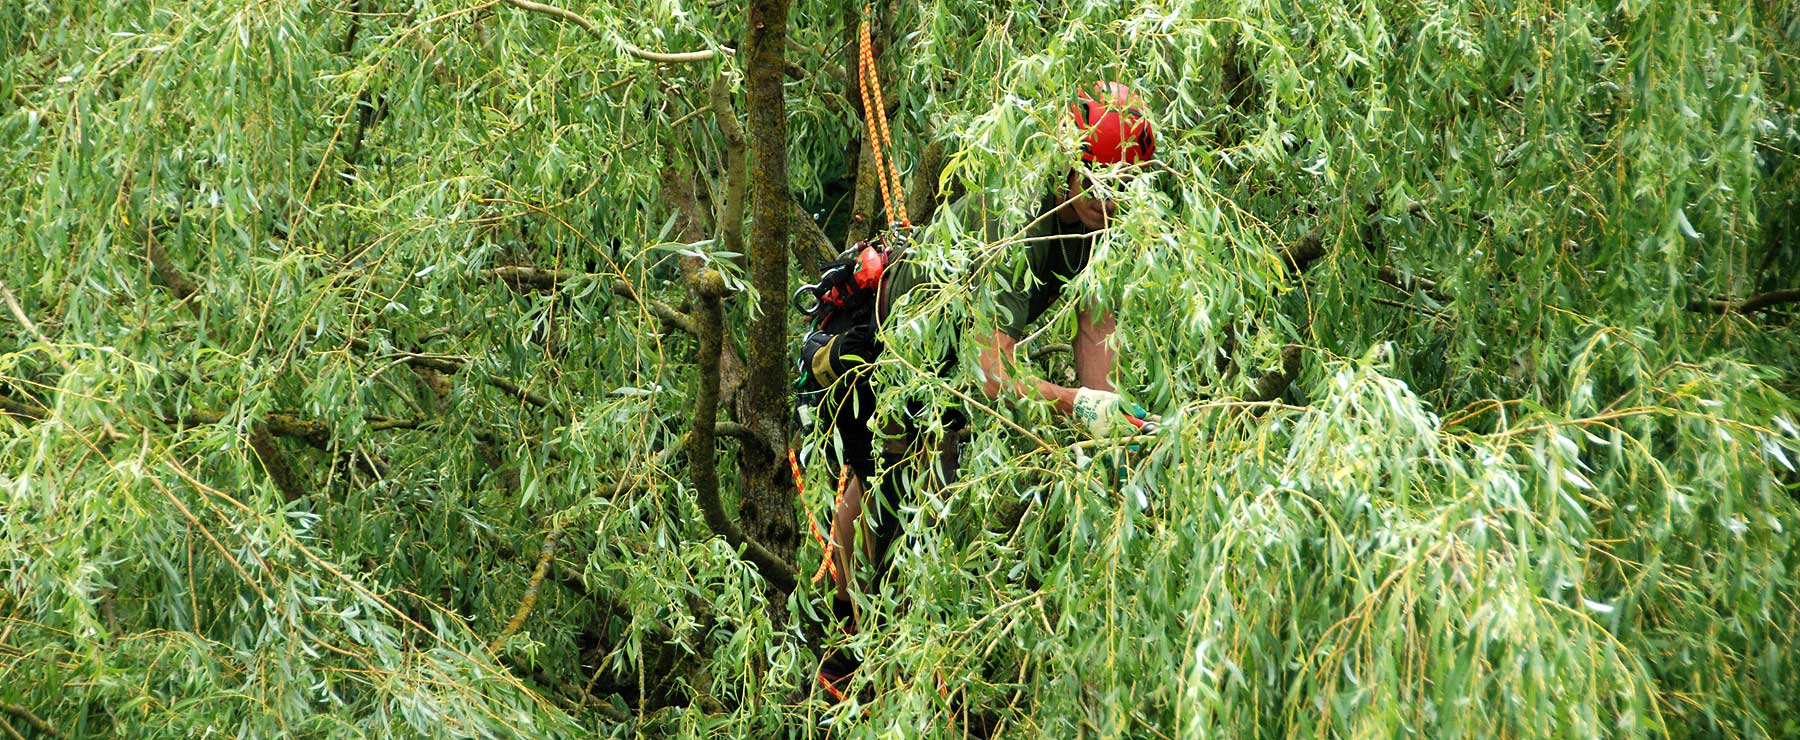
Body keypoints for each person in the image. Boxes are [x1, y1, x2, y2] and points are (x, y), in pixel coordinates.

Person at [806, 81, 1159, 700]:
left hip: (960, 351)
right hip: (898, 344)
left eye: (1123, 187)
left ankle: (879, 643)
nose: (1110, 201)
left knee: (927, 488)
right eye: (1099, 183)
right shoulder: (1020, 219)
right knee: (890, 484)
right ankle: (847, 644)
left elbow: (1096, 334)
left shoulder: (1107, 227)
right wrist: (1078, 405)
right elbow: (993, 375)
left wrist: (1113, 428)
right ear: (1068, 165)